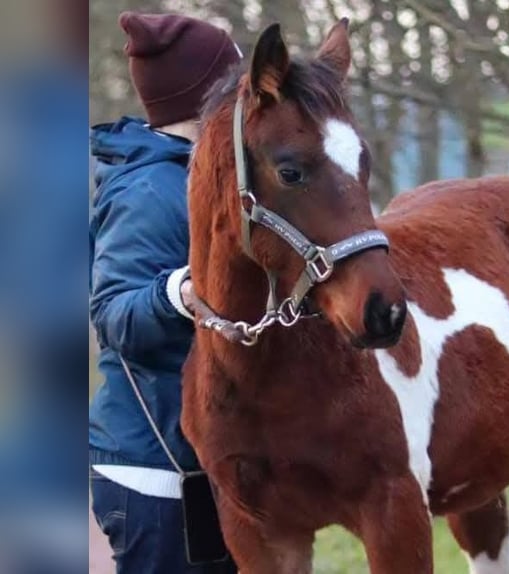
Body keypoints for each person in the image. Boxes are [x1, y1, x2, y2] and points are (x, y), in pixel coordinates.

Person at [88, 12, 241, 573]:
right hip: (154, 476)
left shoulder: (199, 174)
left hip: (202, 464)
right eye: (237, 83)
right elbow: (111, 313)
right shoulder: (150, 189)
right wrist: (179, 291)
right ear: (208, 96)